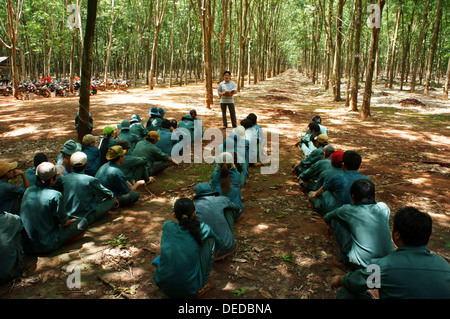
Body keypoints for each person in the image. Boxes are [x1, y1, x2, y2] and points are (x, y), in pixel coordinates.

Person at [332, 207, 450, 299]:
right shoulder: (443, 265)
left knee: (347, 291)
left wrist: (340, 279)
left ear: (397, 235)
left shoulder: (382, 266)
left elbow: (356, 282)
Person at [153, 198, 223, 298]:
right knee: (211, 241)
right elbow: (219, 244)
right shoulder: (204, 228)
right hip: (189, 288)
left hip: (161, 283)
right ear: (194, 213)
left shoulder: (167, 226)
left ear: (174, 215)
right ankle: (203, 284)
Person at [323, 179, 394, 270]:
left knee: (337, 219)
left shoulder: (347, 211)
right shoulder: (383, 207)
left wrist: (329, 226)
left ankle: (345, 262)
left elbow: (328, 216)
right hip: (388, 261)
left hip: (362, 264)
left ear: (353, 197)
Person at [20, 162, 87, 254]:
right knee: (83, 222)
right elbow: (65, 223)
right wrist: (71, 221)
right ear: (52, 180)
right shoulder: (55, 195)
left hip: (28, 246)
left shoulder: (28, 191)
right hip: (47, 244)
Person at [63, 152, 118, 226]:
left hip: (68, 215)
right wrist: (112, 196)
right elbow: (106, 193)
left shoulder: (64, 179)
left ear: (71, 165)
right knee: (111, 200)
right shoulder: (90, 180)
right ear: (86, 165)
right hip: (86, 216)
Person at [308, 150, 371, 216]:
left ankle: (320, 213)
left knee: (325, 193)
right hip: (362, 214)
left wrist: (314, 194)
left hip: (342, 212)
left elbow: (321, 190)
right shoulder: (367, 180)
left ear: (343, 164)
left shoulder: (337, 178)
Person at [193, 183, 241, 260]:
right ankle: (228, 238)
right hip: (227, 248)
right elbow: (238, 209)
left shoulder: (193, 207)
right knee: (229, 209)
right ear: (211, 192)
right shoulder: (221, 199)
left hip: (207, 253)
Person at [0, 211, 24, 284]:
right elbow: (18, 221)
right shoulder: (9, 219)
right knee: (15, 233)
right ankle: (16, 264)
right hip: (7, 274)